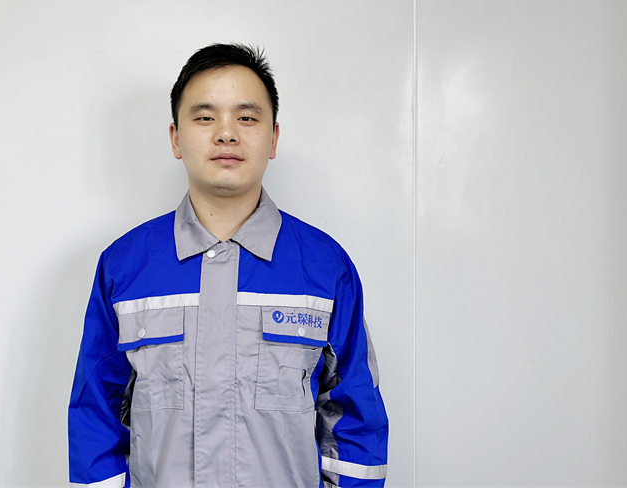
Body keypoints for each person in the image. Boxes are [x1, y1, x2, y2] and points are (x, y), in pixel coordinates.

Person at [68, 43, 389, 488]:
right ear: (176, 138)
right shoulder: (124, 267)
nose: (226, 133)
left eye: (246, 118)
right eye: (205, 118)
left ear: (273, 138)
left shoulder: (325, 268)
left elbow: (354, 420)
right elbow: (96, 418)